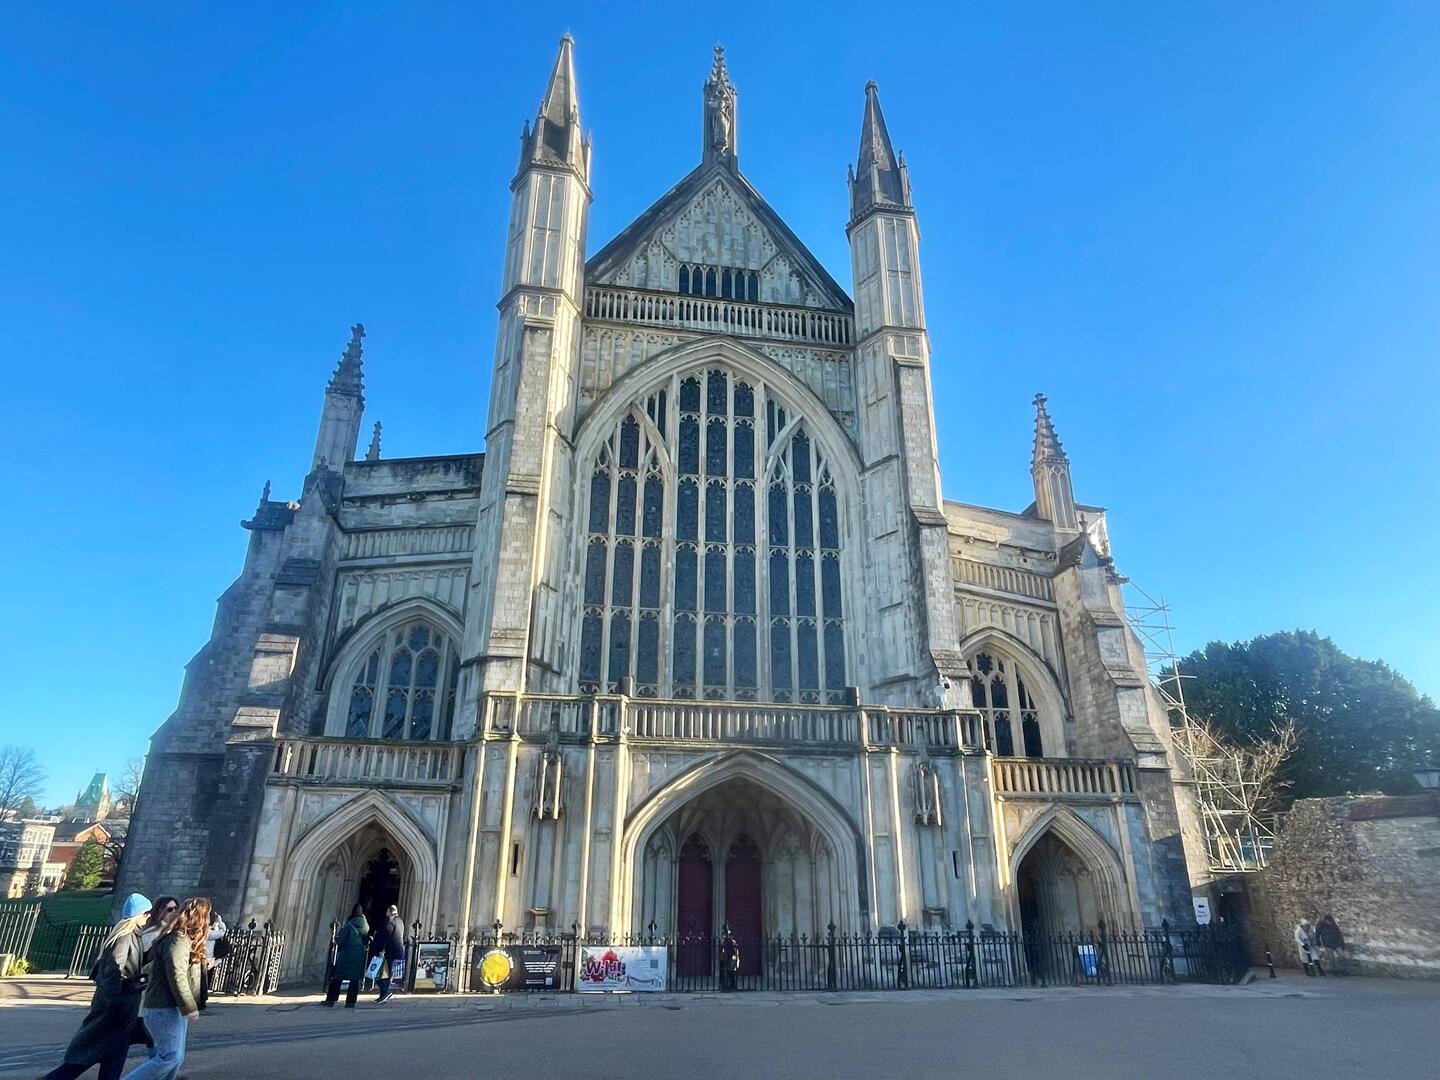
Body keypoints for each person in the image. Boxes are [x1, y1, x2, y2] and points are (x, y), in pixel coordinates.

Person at [40, 894, 154, 1080]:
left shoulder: (133, 936)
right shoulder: (125, 937)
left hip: (123, 1014)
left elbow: (133, 962)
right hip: (115, 1012)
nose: (148, 916)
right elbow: (112, 972)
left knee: (109, 1062)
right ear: (137, 915)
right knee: (84, 1058)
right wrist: (117, 1003)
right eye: (146, 913)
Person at [120, 898, 209, 1080]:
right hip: (163, 1006)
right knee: (169, 1056)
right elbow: (177, 975)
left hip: (172, 1007)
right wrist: (190, 1007)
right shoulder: (178, 940)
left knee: (175, 1058)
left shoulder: (181, 939)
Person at [324, 905, 370, 1009]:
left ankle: (331, 999)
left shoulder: (350, 925)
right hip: (359, 956)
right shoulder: (366, 926)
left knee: (337, 977)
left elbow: (341, 941)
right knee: (354, 980)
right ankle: (351, 1002)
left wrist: (337, 938)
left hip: (347, 955)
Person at [367, 904, 407, 1003]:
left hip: (388, 950)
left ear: (389, 911)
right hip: (397, 950)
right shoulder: (400, 921)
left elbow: (384, 935)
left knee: (377, 972)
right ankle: (383, 993)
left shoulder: (389, 920)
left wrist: (380, 948)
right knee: (387, 971)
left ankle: (385, 992)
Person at [196, 910, 227, 1012]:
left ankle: (200, 1001)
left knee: (201, 981)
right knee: (204, 982)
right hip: (207, 959)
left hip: (202, 958)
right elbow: (221, 933)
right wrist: (221, 922)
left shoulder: (199, 930)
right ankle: (201, 1002)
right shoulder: (206, 933)